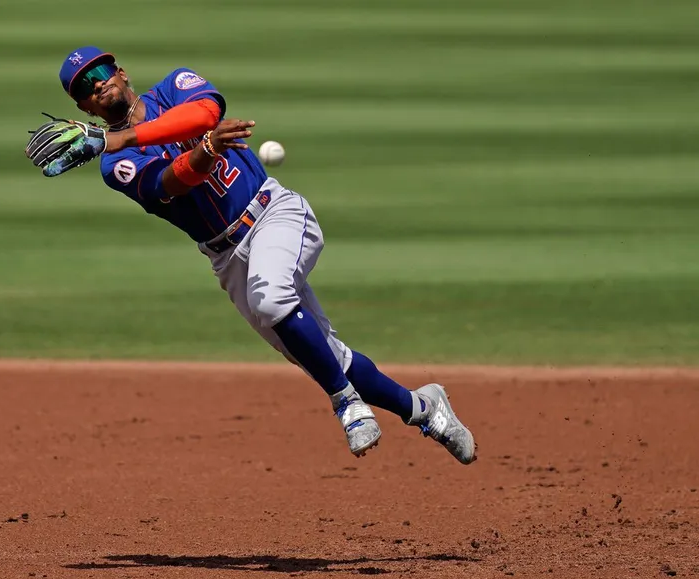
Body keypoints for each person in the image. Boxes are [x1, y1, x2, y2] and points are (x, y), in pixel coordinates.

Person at [25, 46, 476, 463]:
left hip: (274, 213)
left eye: (102, 73)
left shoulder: (175, 86)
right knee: (323, 355)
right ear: (84, 108)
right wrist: (200, 149)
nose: (98, 85)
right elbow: (171, 183)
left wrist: (123, 138)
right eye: (85, 88)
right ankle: (424, 408)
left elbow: (205, 112)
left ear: (122, 73)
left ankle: (346, 405)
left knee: (273, 301)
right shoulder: (113, 167)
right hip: (227, 259)